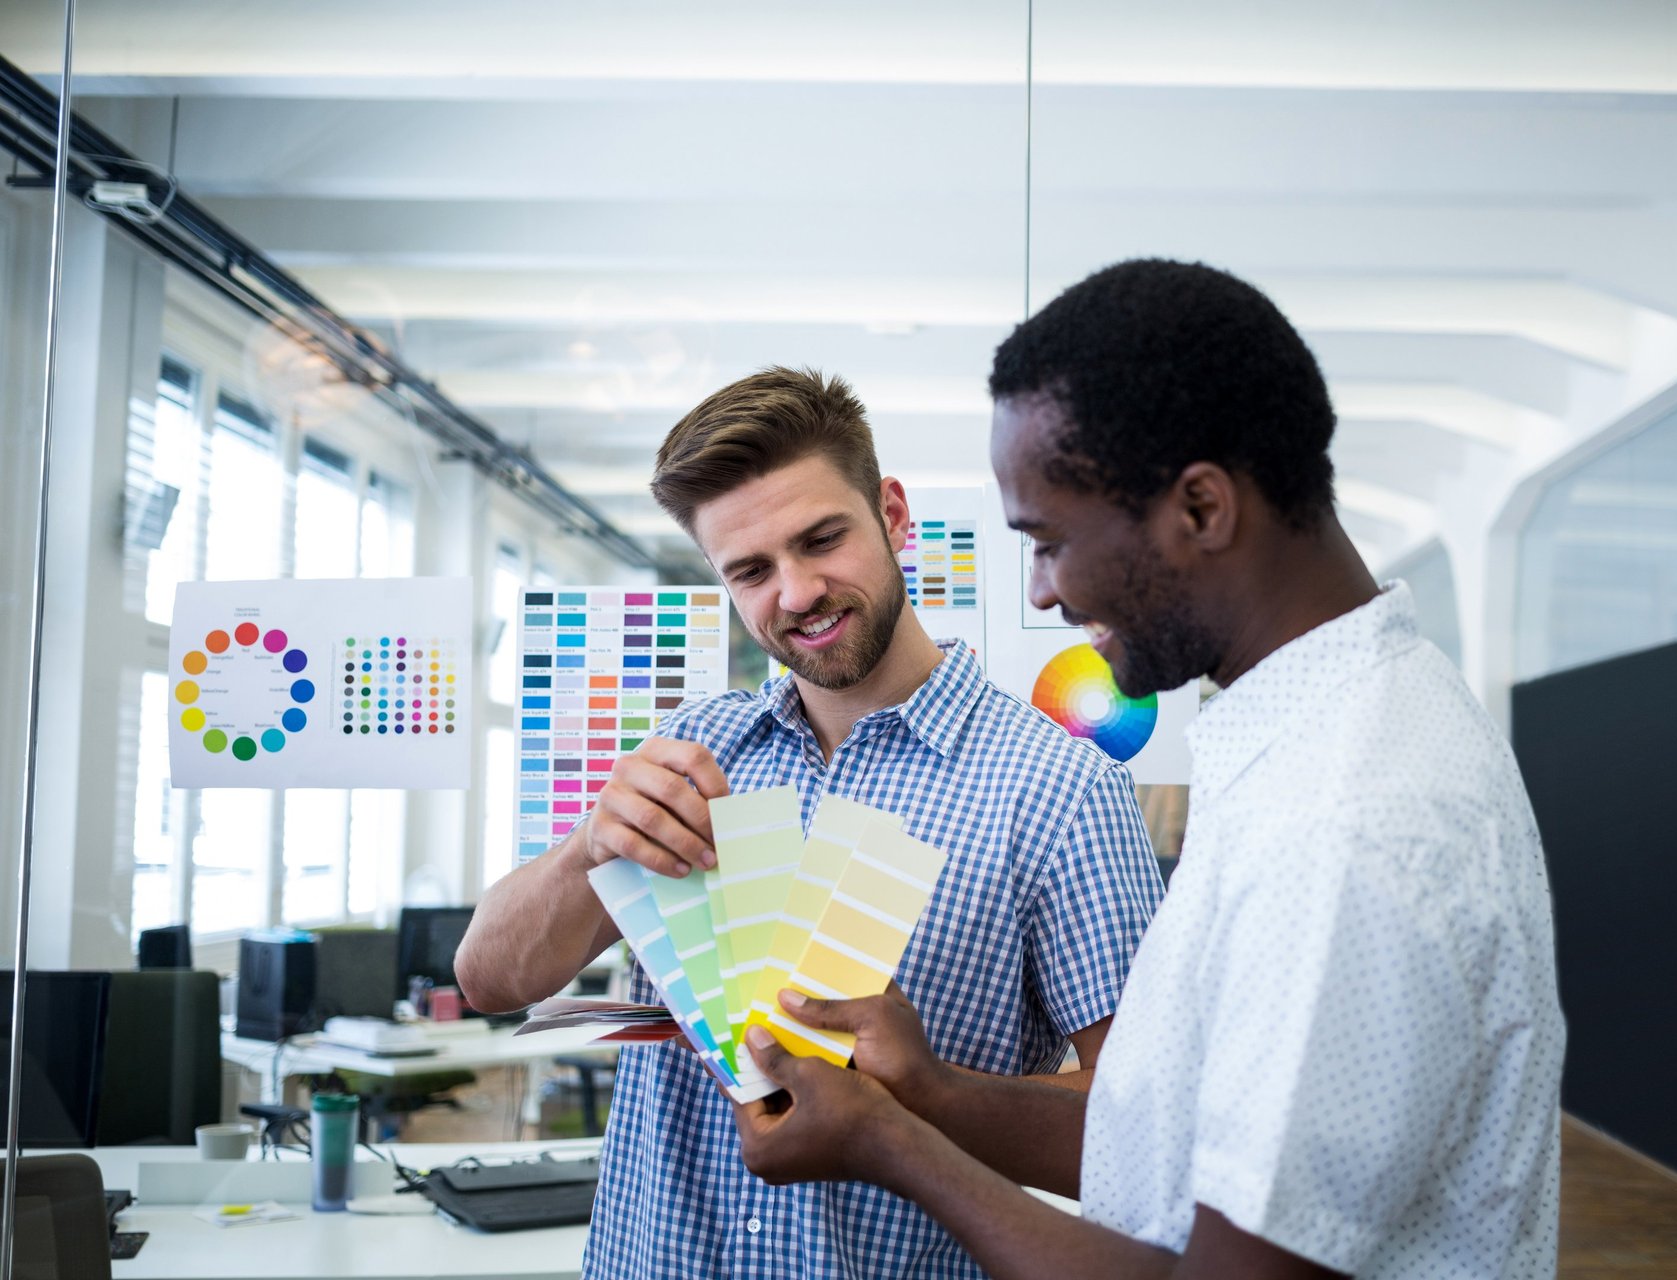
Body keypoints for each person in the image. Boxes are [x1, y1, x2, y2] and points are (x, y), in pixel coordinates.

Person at [729, 261, 1567, 1278]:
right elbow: (1181, 1159)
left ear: (1202, 508)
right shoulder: (1324, 735)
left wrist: (890, 1145)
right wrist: (933, 1093)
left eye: (1049, 542)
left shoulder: (1345, 822)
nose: (1040, 594)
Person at [454, 366, 1164, 1278]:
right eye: (750, 570)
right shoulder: (689, 753)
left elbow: (1139, 1125)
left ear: (894, 516)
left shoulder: (1059, 791)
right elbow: (490, 978)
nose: (795, 593)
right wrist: (588, 845)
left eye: (821, 539)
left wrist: (925, 1098)